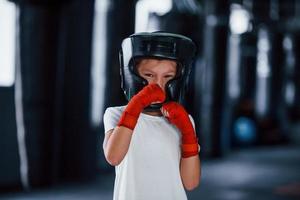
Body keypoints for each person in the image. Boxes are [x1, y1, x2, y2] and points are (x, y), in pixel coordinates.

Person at [103, 32, 201, 200]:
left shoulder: (185, 120)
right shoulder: (116, 114)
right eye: (149, 75)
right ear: (132, 75)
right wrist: (136, 104)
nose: (158, 85)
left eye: (168, 77)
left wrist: (187, 131)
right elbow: (113, 157)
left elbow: (191, 183)